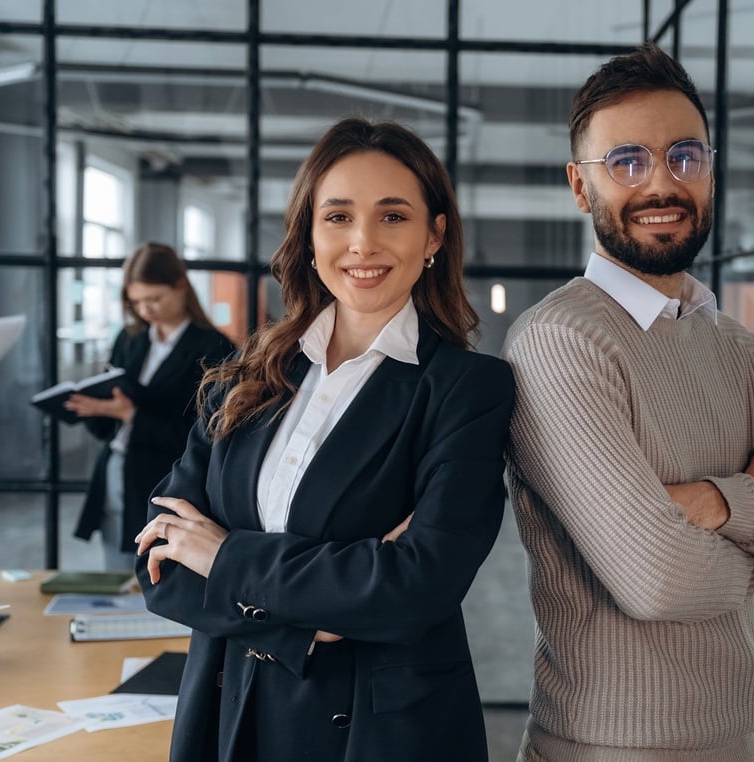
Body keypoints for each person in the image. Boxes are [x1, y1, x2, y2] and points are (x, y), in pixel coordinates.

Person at [503, 43, 754, 761]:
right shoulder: (559, 342)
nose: (661, 183)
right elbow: (658, 580)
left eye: (684, 156)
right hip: (609, 746)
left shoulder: (732, 346)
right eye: (627, 162)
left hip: (741, 737)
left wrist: (715, 504)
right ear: (581, 187)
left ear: (710, 171)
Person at [133, 117, 515, 761]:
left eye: (392, 216)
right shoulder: (249, 376)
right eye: (337, 217)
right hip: (228, 715)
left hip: (371, 734)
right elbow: (161, 563)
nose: (363, 242)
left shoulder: (467, 388)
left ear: (434, 235)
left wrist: (225, 557)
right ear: (309, 236)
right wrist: (312, 624)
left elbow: (415, 586)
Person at [69, 243, 235, 571]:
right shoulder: (130, 339)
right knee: (116, 571)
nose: (146, 310)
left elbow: (206, 436)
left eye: (154, 299)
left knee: (158, 576)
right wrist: (95, 408)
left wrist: (130, 415)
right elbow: (109, 419)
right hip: (116, 470)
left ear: (180, 287)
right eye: (137, 302)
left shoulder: (214, 347)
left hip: (167, 481)